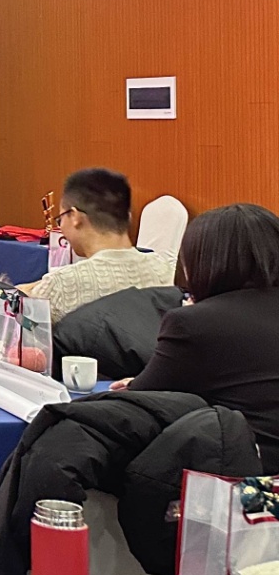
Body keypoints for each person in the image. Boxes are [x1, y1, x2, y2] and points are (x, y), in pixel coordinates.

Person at [112, 203, 279, 465]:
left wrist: (132, 386)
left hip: (246, 471)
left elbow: (140, 399)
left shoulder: (194, 322)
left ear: (202, 262)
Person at [20, 168, 176, 316]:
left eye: (60, 219)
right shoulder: (162, 270)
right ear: (128, 217)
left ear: (75, 217)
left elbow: (26, 325)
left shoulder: (60, 286)